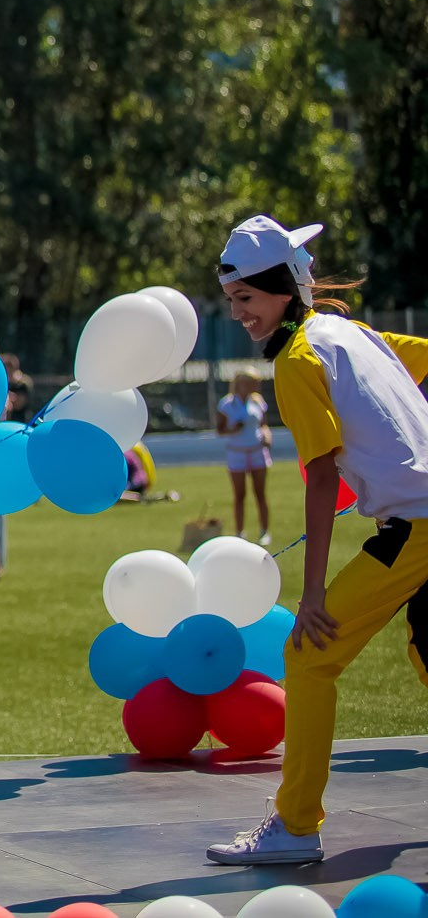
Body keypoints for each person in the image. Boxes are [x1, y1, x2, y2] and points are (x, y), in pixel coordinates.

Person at [207, 217, 428, 866]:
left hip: (415, 528)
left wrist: (310, 596)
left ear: (281, 288)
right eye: (231, 301)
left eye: (246, 298)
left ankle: (296, 823)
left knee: (307, 657)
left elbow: (322, 474)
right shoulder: (351, 332)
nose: (238, 313)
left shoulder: (298, 359)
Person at [217, 369, 274, 545]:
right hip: (237, 453)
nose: (254, 387)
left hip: (257, 451)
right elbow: (220, 430)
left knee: (260, 493)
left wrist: (267, 435)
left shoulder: (258, 402)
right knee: (239, 495)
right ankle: (240, 532)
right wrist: (233, 429)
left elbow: (263, 425)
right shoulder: (226, 404)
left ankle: (265, 531)